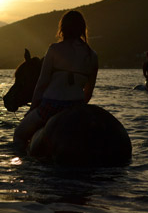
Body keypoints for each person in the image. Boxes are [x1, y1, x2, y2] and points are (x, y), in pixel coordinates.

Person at [13, 10, 99, 151]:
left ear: (63, 28)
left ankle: (25, 171)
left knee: (19, 135)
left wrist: (32, 109)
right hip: (76, 107)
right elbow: (88, 93)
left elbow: (42, 84)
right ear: (82, 29)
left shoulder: (54, 49)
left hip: (51, 106)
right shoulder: (92, 55)